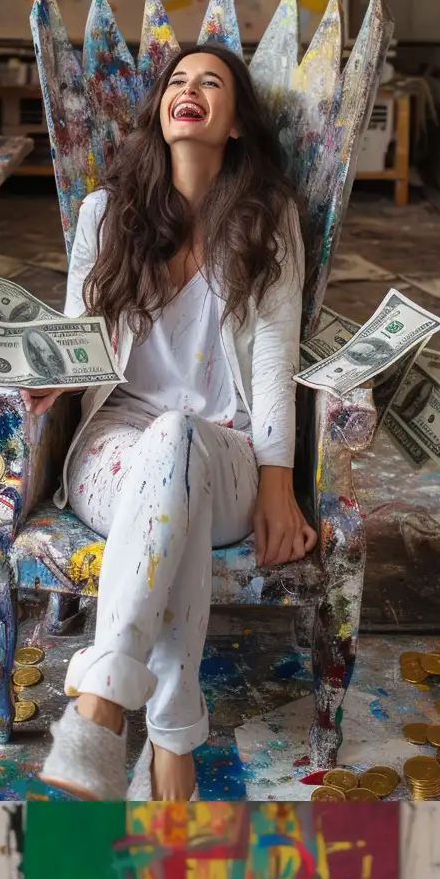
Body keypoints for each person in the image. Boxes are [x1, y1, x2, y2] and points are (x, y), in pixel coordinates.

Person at [39, 44, 317, 804]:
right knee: (167, 455)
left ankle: (100, 707)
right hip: (114, 448)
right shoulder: (107, 213)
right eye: (176, 82)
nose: (187, 91)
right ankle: (171, 740)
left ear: (233, 125)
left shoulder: (268, 220)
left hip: (224, 446)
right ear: (161, 109)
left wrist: (277, 485)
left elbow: (272, 365)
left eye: (210, 83)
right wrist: (42, 379)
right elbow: (80, 341)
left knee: (182, 439)